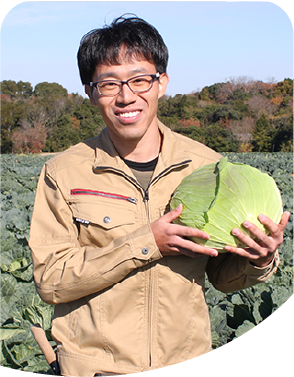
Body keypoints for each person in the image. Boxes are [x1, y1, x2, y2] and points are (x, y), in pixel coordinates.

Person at [29, 15, 290, 377]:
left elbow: (222, 277)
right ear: (91, 92)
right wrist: (145, 243)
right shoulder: (64, 172)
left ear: (161, 82)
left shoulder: (206, 166)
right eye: (109, 84)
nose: (126, 96)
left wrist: (258, 260)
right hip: (94, 369)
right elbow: (51, 279)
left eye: (140, 79)